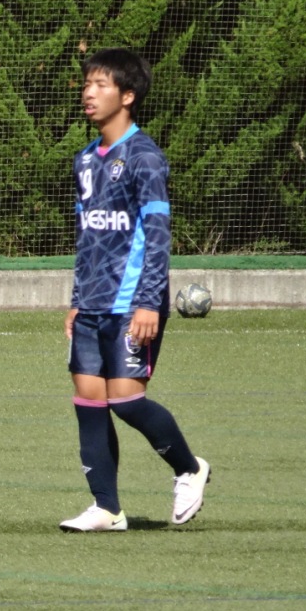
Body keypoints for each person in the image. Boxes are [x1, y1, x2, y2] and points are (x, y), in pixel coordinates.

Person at [61, 47, 211, 533]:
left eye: (100, 85)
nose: (88, 93)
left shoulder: (145, 157)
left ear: (127, 96)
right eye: (87, 84)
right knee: (88, 401)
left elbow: (158, 236)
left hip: (131, 304)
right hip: (92, 304)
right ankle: (107, 508)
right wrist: (77, 301)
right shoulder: (86, 159)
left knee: (125, 401)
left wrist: (149, 302)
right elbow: (88, 237)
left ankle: (189, 468)